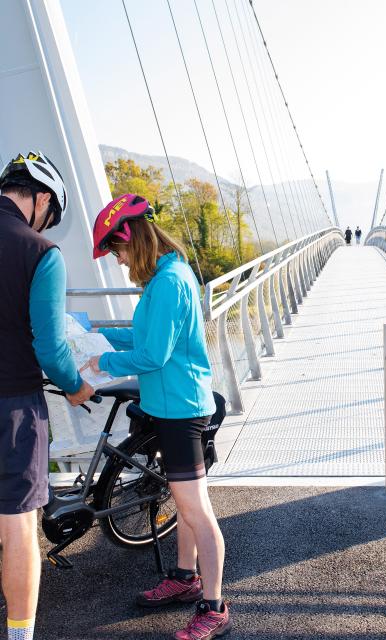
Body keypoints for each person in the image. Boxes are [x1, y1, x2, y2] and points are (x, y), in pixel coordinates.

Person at [83, 194, 230, 640]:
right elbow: (142, 334)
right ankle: (186, 578)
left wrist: (100, 363)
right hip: (169, 406)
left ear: (134, 239)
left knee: (196, 510)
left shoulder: (169, 283)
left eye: (119, 251)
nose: (121, 262)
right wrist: (94, 332)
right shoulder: (165, 277)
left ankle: (215, 606)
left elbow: (151, 354)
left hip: (181, 410)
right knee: (184, 503)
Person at [0, 152, 94, 640]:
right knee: (17, 525)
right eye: (51, 215)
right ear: (39, 199)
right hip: (13, 406)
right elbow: (51, 347)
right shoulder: (40, 253)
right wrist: (76, 387)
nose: (49, 224)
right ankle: (19, 635)